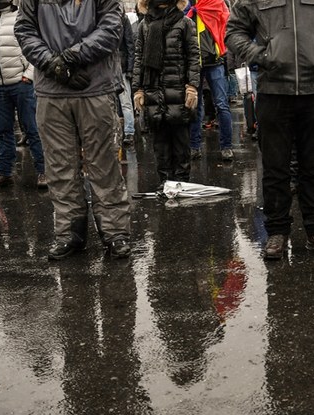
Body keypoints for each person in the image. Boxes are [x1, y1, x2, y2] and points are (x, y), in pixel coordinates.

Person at [226, 0, 314, 260]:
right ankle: (276, 232)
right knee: (275, 168)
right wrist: (259, 56)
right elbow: (233, 32)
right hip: (273, 91)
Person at [15, 0, 133, 259]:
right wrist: (53, 65)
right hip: (52, 90)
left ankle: (115, 232)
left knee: (104, 165)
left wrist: (71, 57)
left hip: (96, 86)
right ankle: (70, 232)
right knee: (60, 166)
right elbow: (25, 30)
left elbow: (111, 29)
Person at [0, 0, 46, 190]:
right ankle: (4, 172)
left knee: (32, 129)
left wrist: (28, 75)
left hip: (21, 84)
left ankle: (44, 171)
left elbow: (36, 46)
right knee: (3, 132)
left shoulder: (23, 16)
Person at [133, 0, 200, 187]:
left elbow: (194, 56)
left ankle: (182, 184)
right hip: (153, 90)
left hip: (179, 91)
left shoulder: (185, 23)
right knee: (160, 144)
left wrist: (192, 86)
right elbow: (139, 59)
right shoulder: (144, 25)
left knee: (181, 143)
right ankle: (166, 183)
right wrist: (138, 89)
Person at [186, 0, 233, 162]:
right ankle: (194, 146)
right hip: (195, 63)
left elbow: (228, 24)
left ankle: (226, 147)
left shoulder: (215, 3)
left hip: (215, 61)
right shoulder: (188, 5)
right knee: (195, 107)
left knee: (221, 104)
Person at [118, 12, 136, 147]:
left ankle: (129, 131)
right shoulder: (122, 18)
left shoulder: (123, 19)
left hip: (121, 67)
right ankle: (127, 131)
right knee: (124, 103)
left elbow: (130, 45)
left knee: (125, 103)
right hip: (116, 66)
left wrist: (130, 68)